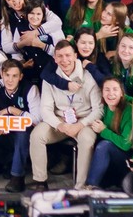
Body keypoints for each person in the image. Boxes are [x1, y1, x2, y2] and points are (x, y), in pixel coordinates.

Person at [30, 39, 101, 190]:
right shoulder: (50, 79)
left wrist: (80, 125)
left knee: (87, 140)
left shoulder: (88, 77)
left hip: (83, 120)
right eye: (60, 56)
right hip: (60, 120)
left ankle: (81, 186)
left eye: (68, 55)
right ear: (55, 59)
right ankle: (40, 181)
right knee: (37, 135)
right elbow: (45, 109)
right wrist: (59, 125)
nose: (64, 60)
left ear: (75, 56)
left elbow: (98, 110)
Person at [0, 59, 40, 193]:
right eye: (7, 75)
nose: (10, 80)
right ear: (1, 74)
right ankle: (12, 162)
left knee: (22, 132)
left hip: (26, 137)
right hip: (6, 137)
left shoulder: (30, 89)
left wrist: (12, 110)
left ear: (20, 77)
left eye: (14, 76)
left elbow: (37, 119)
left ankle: (17, 177)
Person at [1, 0, 63, 83]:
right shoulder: (20, 29)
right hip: (32, 72)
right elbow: (16, 52)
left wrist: (42, 45)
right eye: (31, 13)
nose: (35, 17)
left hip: (52, 70)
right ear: (26, 15)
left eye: (38, 14)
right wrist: (21, 63)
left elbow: (61, 53)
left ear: (43, 15)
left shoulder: (52, 28)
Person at [87, 78, 133, 189]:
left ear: (122, 93)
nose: (111, 94)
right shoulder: (102, 107)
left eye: (115, 89)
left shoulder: (128, 110)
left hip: (126, 159)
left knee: (104, 146)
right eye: (107, 90)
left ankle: (90, 187)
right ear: (102, 93)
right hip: (107, 161)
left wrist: (103, 130)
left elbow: (126, 144)